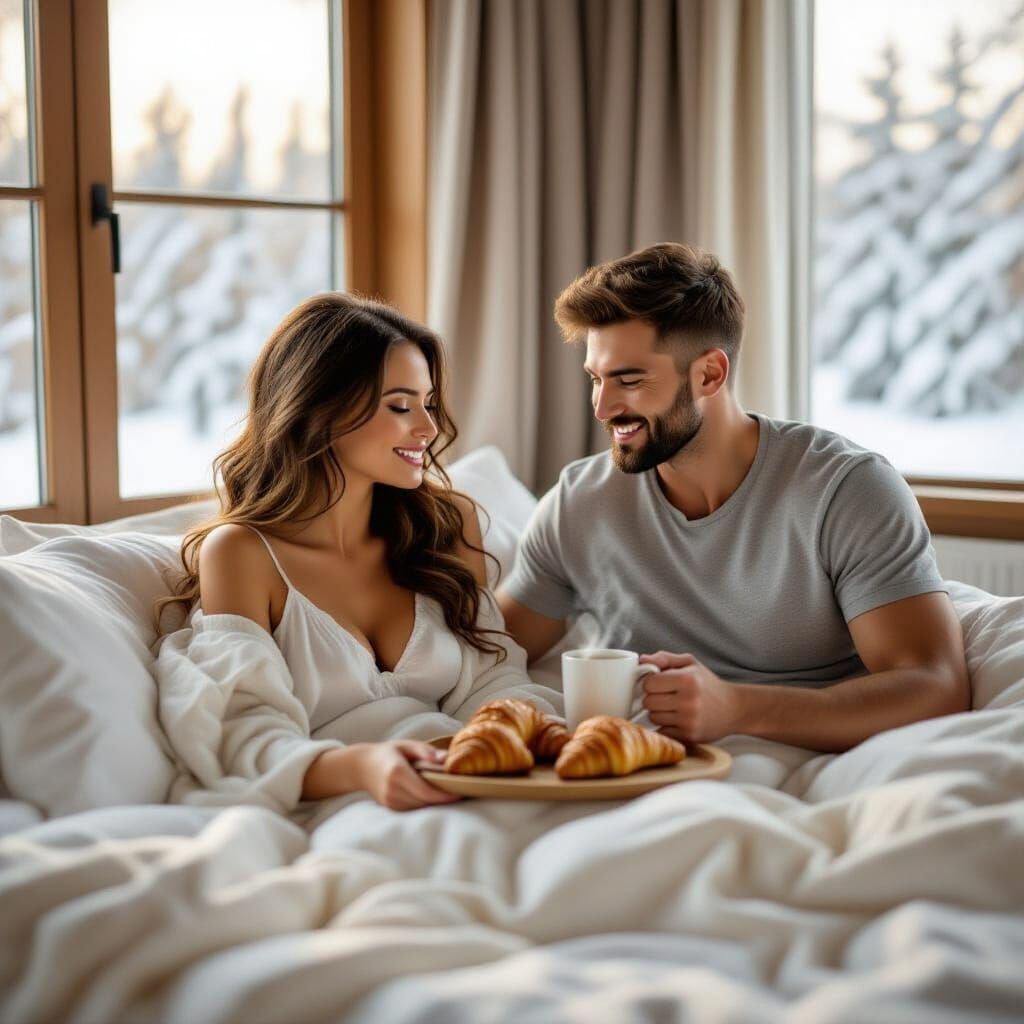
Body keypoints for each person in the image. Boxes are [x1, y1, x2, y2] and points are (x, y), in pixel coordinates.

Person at [497, 243, 970, 753]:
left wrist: (736, 707)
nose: (602, 407)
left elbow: (935, 686)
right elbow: (489, 650)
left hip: (819, 757)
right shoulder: (578, 502)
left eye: (629, 380)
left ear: (709, 374)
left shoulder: (847, 489)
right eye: (596, 379)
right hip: (649, 764)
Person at [156, 293, 561, 813]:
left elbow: (494, 678)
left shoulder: (447, 525)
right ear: (320, 409)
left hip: (475, 785)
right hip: (343, 802)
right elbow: (245, 733)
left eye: (428, 403)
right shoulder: (241, 554)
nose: (428, 428)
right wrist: (367, 767)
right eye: (400, 406)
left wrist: (537, 738)